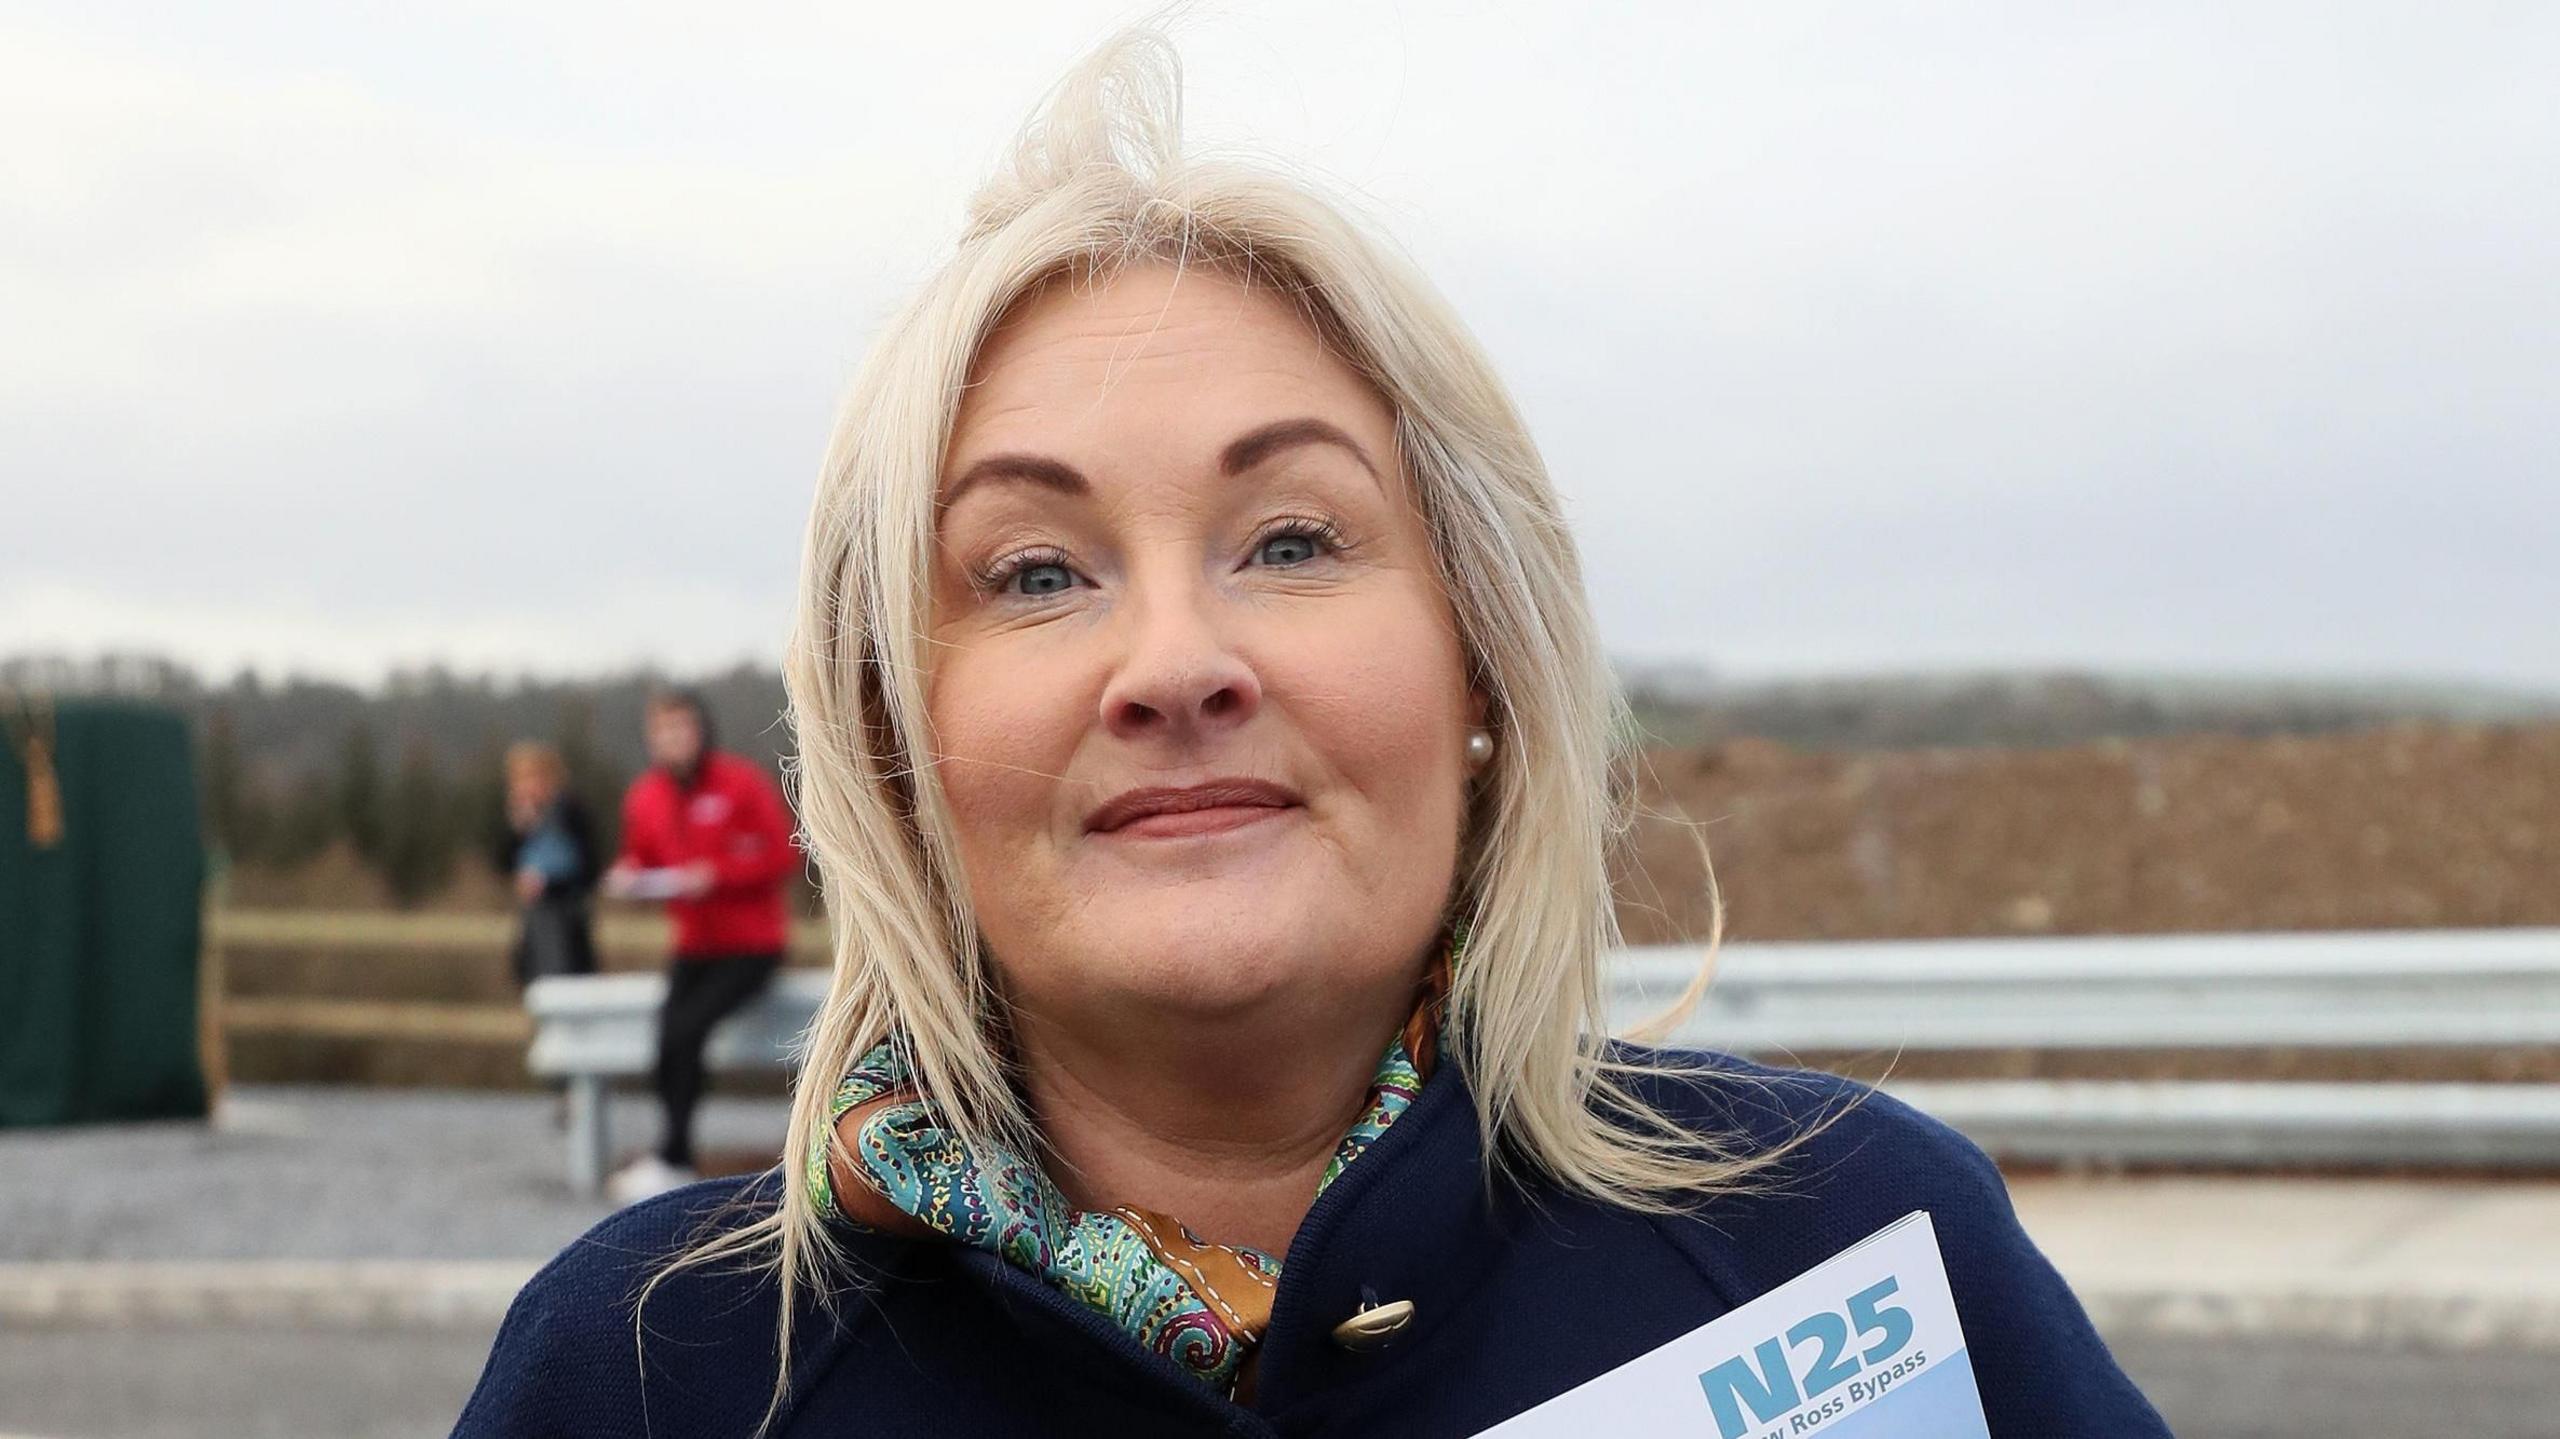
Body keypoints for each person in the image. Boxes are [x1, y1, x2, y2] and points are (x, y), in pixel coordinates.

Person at [458, 30, 2169, 1436]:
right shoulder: (646, 1378)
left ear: (1483, 662)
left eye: (1291, 538)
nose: (1176, 662)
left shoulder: (1853, 1249)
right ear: (891, 736)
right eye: (1038, 570)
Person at [596, 689, 799, 1204]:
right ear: (651, 741)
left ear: (701, 730)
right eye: (663, 731)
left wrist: (720, 875)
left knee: (688, 1029)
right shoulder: (645, 797)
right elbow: (641, 859)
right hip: (694, 943)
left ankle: (675, 1157)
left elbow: (782, 853)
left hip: (751, 944)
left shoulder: (739, 782)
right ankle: (671, 1156)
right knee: (667, 1035)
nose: (674, 740)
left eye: (682, 728)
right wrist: (627, 877)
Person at [490, 742, 599, 991]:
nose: (526, 786)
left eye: (533, 777)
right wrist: (518, 831)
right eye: (520, 779)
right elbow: (501, 864)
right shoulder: (517, 818)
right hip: (533, 926)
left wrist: (550, 883)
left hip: (568, 925)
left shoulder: (572, 813)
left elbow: (590, 869)